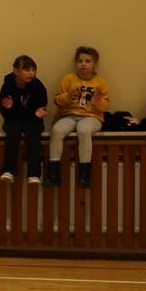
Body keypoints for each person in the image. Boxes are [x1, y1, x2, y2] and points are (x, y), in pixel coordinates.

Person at [47, 46, 109, 188]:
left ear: (94, 64)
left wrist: (97, 99)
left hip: (92, 116)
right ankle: (54, 173)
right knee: (56, 130)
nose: (83, 64)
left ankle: (84, 175)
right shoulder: (68, 79)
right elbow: (57, 101)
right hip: (69, 115)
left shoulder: (100, 82)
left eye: (87, 61)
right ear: (75, 63)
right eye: (80, 61)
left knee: (83, 129)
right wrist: (68, 96)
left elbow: (104, 107)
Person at [0, 54, 49, 185]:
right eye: (27, 70)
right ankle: (8, 170)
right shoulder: (7, 86)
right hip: (13, 119)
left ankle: (34, 174)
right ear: (16, 71)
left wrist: (16, 108)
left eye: (33, 70)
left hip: (32, 120)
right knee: (12, 132)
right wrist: (11, 109)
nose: (31, 73)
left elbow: (41, 106)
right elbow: (5, 112)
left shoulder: (37, 85)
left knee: (34, 133)